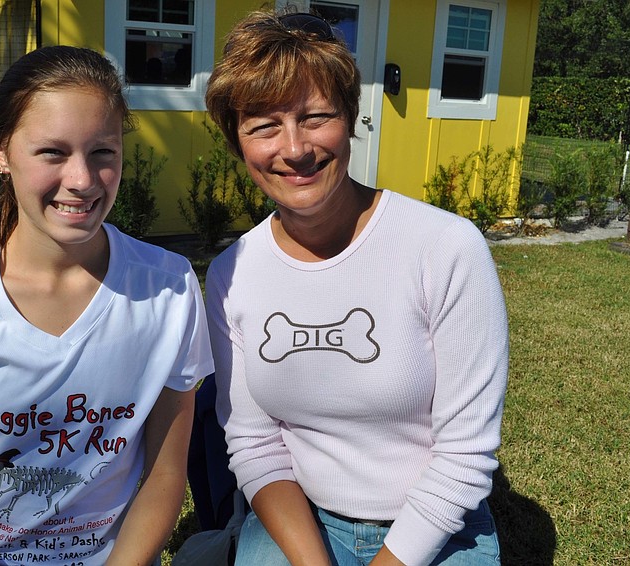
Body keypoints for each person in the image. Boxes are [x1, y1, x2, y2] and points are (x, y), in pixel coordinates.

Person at [0, 45, 214, 566]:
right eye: (52, 153)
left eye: (102, 151)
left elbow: (166, 473)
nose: (81, 180)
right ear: (0, 151)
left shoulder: (169, 291)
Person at [204, 9, 508, 566]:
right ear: (237, 142)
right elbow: (253, 444)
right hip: (300, 520)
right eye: (263, 126)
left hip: (438, 528)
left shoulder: (445, 248)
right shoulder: (232, 274)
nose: (294, 149)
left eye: (316, 116)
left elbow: (465, 453)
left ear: (349, 117)